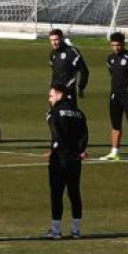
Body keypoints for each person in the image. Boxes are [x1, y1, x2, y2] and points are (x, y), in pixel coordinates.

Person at [45, 83, 89, 239]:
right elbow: (84, 134)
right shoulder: (78, 113)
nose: (49, 99)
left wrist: (55, 149)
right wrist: (80, 150)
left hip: (60, 157)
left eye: (51, 96)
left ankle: (56, 230)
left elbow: (56, 133)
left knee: (57, 193)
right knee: (74, 192)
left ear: (59, 94)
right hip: (75, 157)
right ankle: (76, 230)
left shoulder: (54, 112)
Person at [102, 32, 128, 162]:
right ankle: (114, 152)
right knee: (115, 123)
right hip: (115, 95)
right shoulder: (110, 58)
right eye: (114, 45)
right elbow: (112, 74)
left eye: (118, 45)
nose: (116, 48)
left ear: (123, 44)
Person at [48, 29, 90, 98]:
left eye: (56, 40)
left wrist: (81, 88)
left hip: (68, 92)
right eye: (51, 40)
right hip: (55, 93)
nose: (53, 43)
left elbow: (84, 71)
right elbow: (55, 71)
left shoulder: (71, 52)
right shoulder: (53, 54)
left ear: (62, 39)